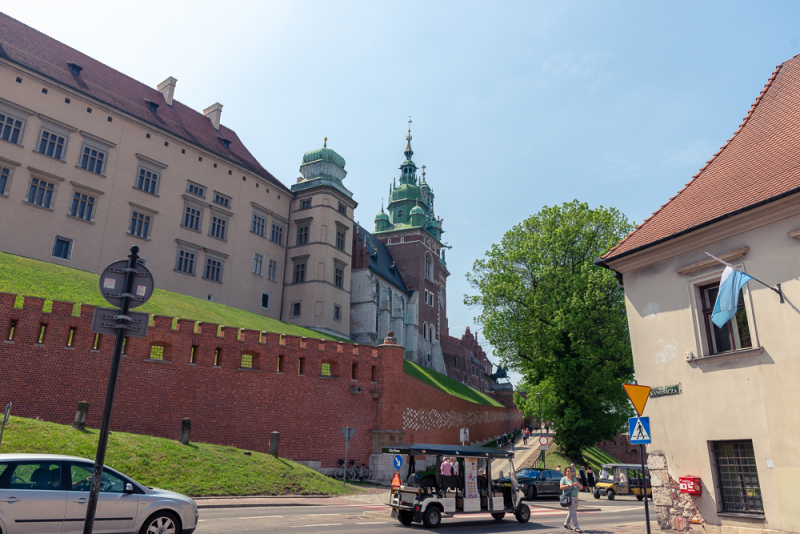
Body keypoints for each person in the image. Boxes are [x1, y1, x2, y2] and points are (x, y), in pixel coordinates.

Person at [560, 466, 583, 532]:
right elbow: (561, 487)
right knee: (574, 513)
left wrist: (578, 484)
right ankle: (576, 527)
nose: (569, 472)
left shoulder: (574, 479)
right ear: (565, 472)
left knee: (571, 512)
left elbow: (581, 488)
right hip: (569, 498)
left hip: (576, 497)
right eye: (568, 471)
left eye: (570, 471)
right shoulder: (564, 479)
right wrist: (569, 485)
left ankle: (566, 523)